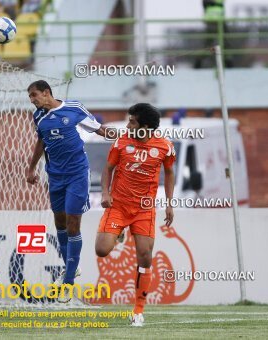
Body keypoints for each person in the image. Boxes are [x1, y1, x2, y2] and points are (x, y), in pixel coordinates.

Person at [26, 80, 109, 303]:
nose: (32, 100)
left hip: (77, 174)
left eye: (34, 95)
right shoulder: (38, 117)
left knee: (73, 223)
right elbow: (40, 142)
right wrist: (32, 167)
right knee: (60, 223)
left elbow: (99, 129)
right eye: (30, 98)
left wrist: (125, 137)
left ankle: (68, 282)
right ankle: (70, 269)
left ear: (46, 92)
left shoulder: (73, 108)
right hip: (55, 176)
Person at [95, 103, 176, 327]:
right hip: (119, 205)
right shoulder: (121, 142)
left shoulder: (165, 147)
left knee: (145, 256)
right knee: (102, 250)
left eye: (132, 121)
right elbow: (108, 169)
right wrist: (105, 192)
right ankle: (118, 232)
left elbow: (169, 173)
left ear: (145, 126)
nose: (128, 124)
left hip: (145, 208)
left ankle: (138, 311)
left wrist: (170, 203)